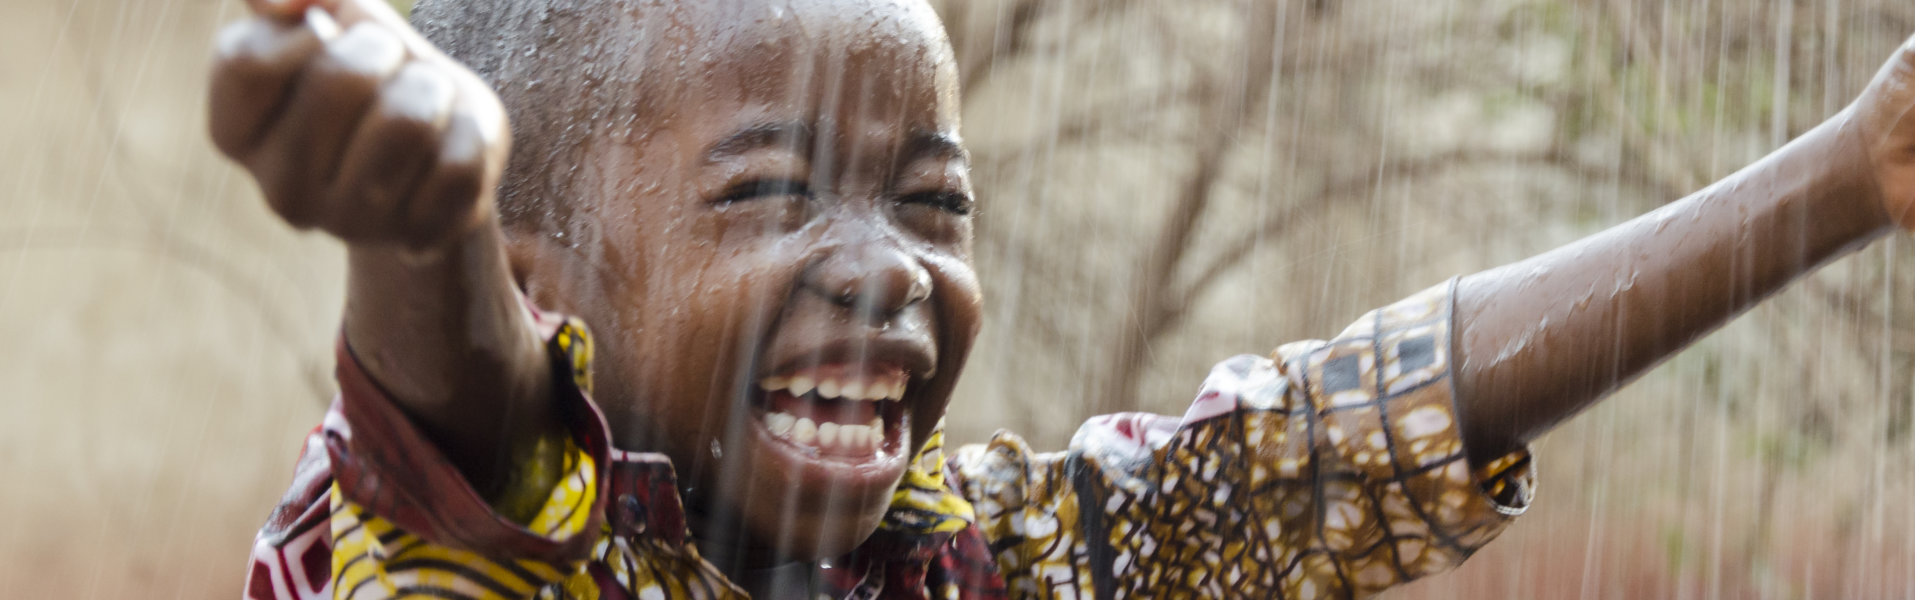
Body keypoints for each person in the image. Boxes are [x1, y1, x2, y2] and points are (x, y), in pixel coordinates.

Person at [210, 0, 1914, 597]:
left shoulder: (967, 565)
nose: (888, 272)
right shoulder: (458, 536)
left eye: (933, 203)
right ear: (539, 269)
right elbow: (467, 444)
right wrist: (417, 236)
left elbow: (1323, 452)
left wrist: (1849, 171)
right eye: (768, 194)